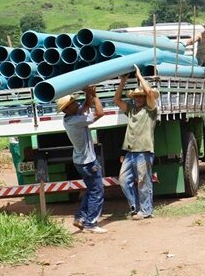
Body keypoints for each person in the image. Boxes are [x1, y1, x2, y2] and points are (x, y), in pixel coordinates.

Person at [57, 86, 106, 233]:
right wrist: (95, 94)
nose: (76, 104)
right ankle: (91, 223)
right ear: (66, 109)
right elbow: (100, 113)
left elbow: (86, 105)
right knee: (97, 191)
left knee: (91, 190)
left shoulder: (70, 118)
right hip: (88, 162)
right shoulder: (75, 121)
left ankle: (80, 217)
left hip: (80, 161)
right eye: (72, 103)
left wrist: (87, 93)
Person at [114, 64, 159, 220]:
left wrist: (139, 76)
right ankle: (135, 207)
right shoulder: (131, 110)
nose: (139, 99)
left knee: (143, 181)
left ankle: (146, 211)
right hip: (130, 151)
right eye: (136, 97)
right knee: (123, 180)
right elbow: (117, 99)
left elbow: (149, 92)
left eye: (141, 96)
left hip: (144, 151)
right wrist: (123, 82)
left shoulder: (151, 109)